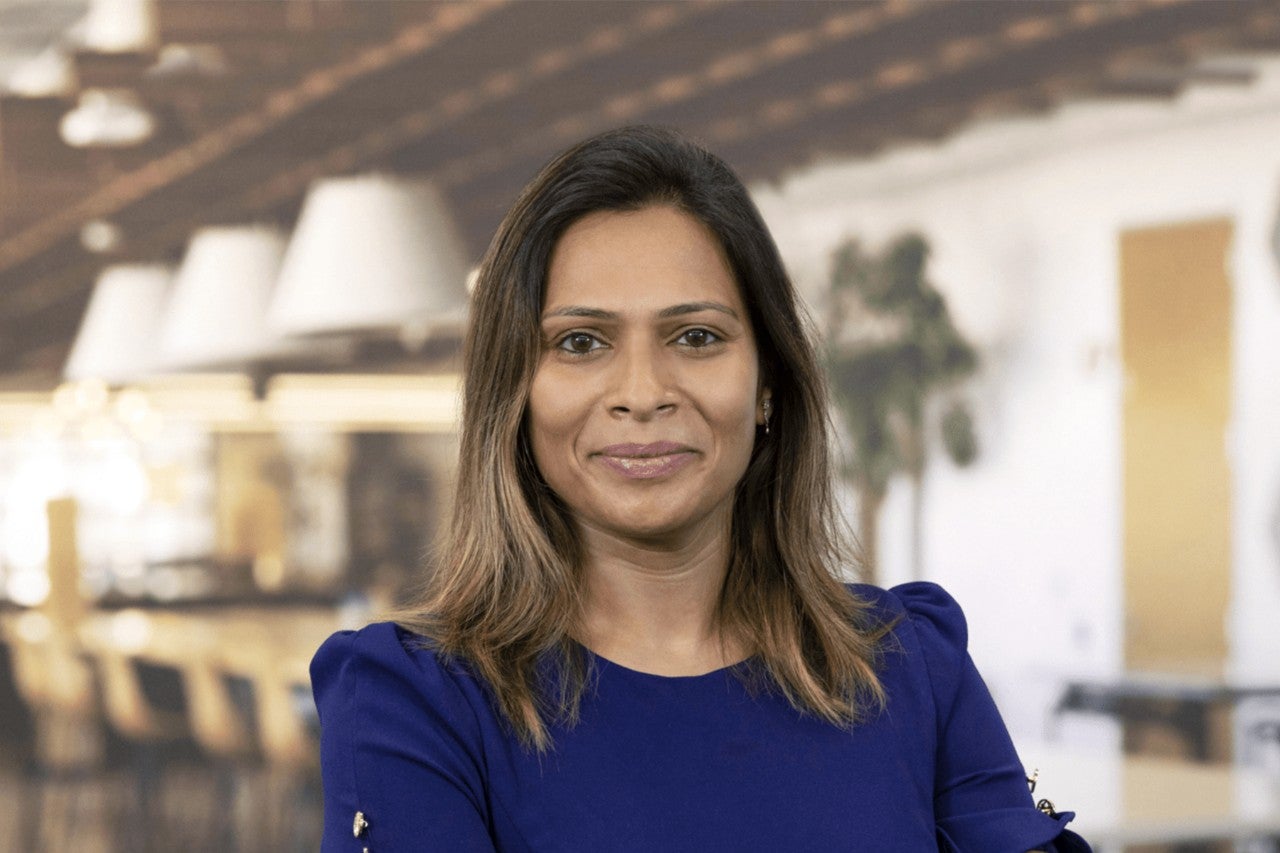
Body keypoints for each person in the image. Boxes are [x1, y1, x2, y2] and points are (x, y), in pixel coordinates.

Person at [311, 125, 1089, 853]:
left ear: (766, 383)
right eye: (580, 342)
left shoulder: (911, 665)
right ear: (514, 390)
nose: (642, 392)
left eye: (696, 336)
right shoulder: (413, 701)